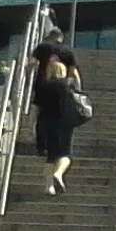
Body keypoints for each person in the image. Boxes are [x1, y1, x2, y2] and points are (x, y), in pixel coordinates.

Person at [35, 62, 80, 194]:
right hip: (65, 123)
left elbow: (35, 108)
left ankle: (49, 186)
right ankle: (59, 173)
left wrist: (31, 125)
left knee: (51, 155)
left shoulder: (42, 86)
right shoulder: (68, 85)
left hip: (45, 123)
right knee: (65, 153)